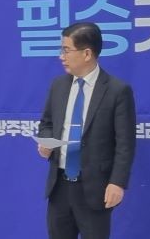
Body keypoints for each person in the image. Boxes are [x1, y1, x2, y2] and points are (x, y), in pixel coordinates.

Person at [37, 22, 136, 239]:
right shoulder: (58, 86)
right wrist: (46, 141)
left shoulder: (117, 91)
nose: (61, 56)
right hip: (59, 186)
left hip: (95, 188)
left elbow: (125, 143)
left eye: (66, 50)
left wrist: (117, 182)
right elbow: (46, 124)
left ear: (87, 53)